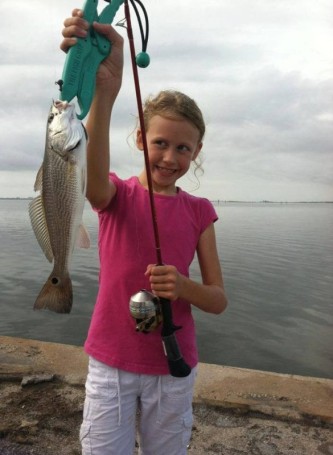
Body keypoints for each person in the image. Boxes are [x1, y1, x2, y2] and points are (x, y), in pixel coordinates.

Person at [61, 9, 228, 455]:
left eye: (183, 147)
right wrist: (105, 90)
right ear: (140, 139)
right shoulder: (116, 194)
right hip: (111, 364)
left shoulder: (200, 212)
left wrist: (183, 286)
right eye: (160, 142)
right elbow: (92, 184)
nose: (170, 156)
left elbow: (217, 299)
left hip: (172, 368)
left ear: (196, 151)